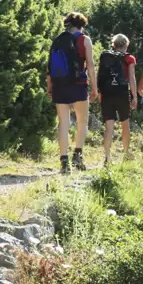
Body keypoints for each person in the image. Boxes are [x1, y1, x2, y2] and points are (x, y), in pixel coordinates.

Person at [47, 12, 98, 174]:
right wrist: (95, 88)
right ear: (82, 25)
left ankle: (64, 161)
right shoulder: (84, 40)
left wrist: (50, 86)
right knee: (82, 122)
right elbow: (90, 65)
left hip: (59, 85)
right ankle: (77, 155)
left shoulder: (58, 40)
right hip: (78, 84)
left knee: (63, 123)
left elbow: (50, 67)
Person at [97, 34, 137, 165]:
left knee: (109, 126)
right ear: (126, 45)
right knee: (125, 124)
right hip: (122, 92)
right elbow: (131, 78)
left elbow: (100, 74)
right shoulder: (129, 58)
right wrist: (135, 96)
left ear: (113, 45)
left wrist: (99, 91)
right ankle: (126, 154)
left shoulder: (106, 57)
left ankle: (107, 157)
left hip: (107, 93)